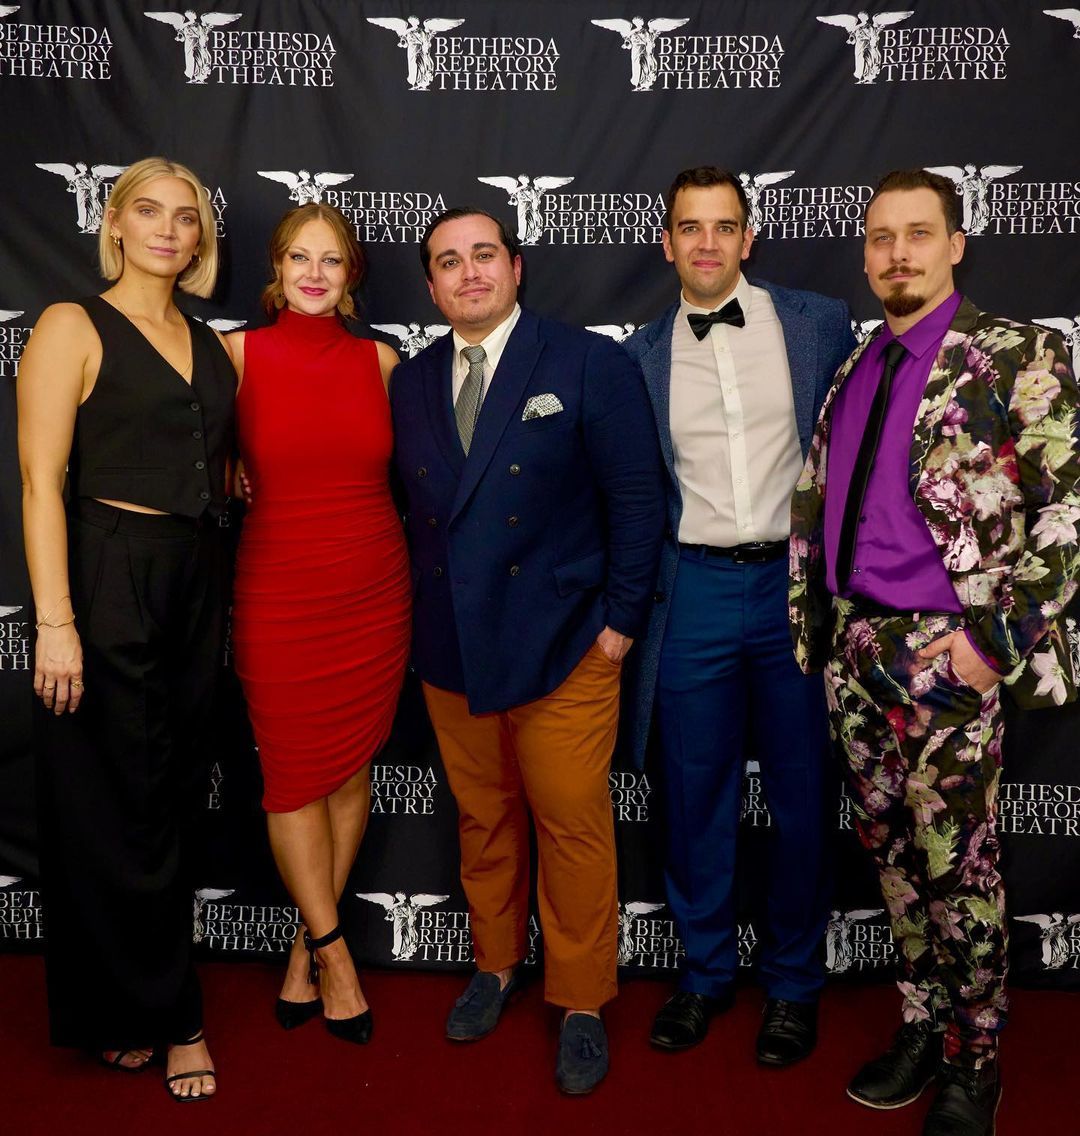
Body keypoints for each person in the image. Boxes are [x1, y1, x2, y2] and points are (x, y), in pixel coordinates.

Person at [789, 168, 1080, 1136]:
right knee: (893, 857)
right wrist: (824, 631)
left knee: (960, 868)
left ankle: (976, 1056)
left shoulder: (1017, 355)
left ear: (956, 244)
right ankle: (922, 1024)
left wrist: (993, 645)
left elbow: (1069, 513)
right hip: (855, 647)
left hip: (948, 653)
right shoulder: (856, 365)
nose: (897, 254)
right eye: (881, 238)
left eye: (918, 234)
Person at [389, 207, 665, 1095]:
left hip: (565, 644)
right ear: (431, 286)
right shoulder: (412, 380)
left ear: (516, 267)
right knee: (484, 820)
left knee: (572, 826)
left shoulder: (586, 362)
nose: (468, 272)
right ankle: (496, 963)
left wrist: (619, 624)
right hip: (452, 644)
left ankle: (581, 999)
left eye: (484, 255)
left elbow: (637, 500)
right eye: (449, 262)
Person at [620, 166, 855, 1064]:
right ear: (667, 243)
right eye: (691, 227)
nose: (708, 242)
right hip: (694, 588)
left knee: (803, 795)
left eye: (724, 226)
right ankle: (705, 974)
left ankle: (793, 986)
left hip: (796, 588)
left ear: (749, 238)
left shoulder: (819, 323)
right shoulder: (639, 357)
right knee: (693, 795)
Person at [17, 157, 235, 1101]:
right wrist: (56, 622)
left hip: (196, 575)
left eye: (185, 218)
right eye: (148, 210)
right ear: (114, 222)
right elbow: (40, 485)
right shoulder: (71, 324)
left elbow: (202, 453)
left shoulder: (207, 339)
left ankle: (134, 999)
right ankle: (173, 1017)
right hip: (108, 572)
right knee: (118, 803)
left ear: (200, 240)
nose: (167, 230)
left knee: (174, 793)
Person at [227, 204, 409, 1045]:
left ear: (350, 274)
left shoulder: (382, 361)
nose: (313, 273)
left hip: (372, 590)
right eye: (299, 257)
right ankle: (336, 957)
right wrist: (227, 465)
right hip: (278, 591)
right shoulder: (236, 355)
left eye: (330, 260)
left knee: (348, 774)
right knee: (294, 777)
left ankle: (306, 950)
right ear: (276, 266)